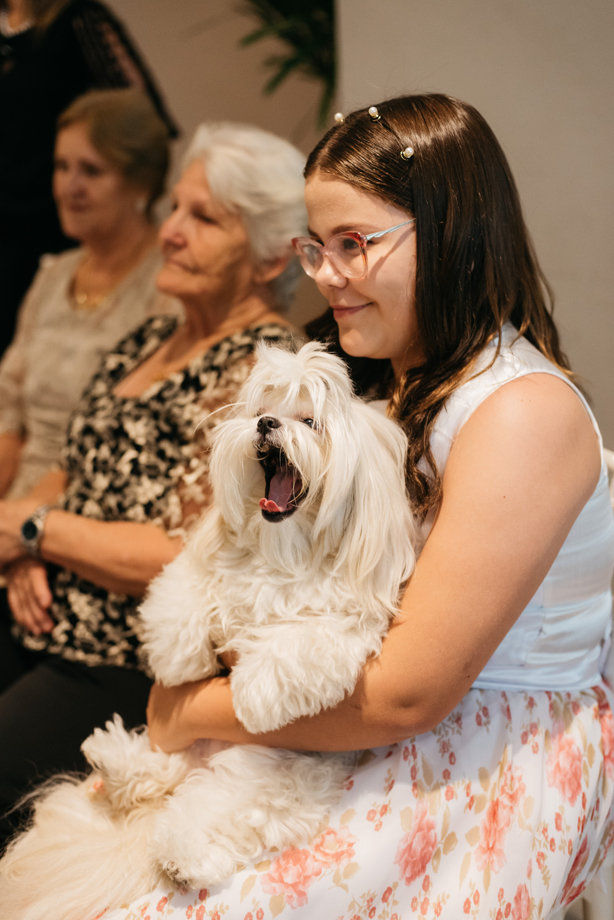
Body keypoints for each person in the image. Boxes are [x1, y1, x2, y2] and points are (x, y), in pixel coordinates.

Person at [114, 95, 614, 918]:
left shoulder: (522, 412)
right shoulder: (390, 379)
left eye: (355, 244)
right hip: (339, 732)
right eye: (317, 246)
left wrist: (184, 711)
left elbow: (406, 695)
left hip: (473, 762)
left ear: (452, 230)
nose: (326, 275)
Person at [0, 121, 305, 849]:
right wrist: (21, 549)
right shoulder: (147, 339)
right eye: (175, 208)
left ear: (271, 258)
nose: (170, 232)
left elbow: (190, 554)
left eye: (204, 219)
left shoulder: (268, 375)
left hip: (122, 661)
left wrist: (38, 533)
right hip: (42, 611)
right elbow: (69, 470)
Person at [0, 87, 182, 502]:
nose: (69, 187)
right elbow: (9, 421)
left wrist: (29, 526)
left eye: (91, 171)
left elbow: (139, 436)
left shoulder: (169, 283)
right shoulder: (53, 274)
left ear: (141, 184)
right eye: (62, 167)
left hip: (97, 500)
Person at [0, 0, 178, 358]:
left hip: (56, 229)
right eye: (63, 166)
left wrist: (79, 170)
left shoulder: (78, 19)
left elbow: (143, 123)